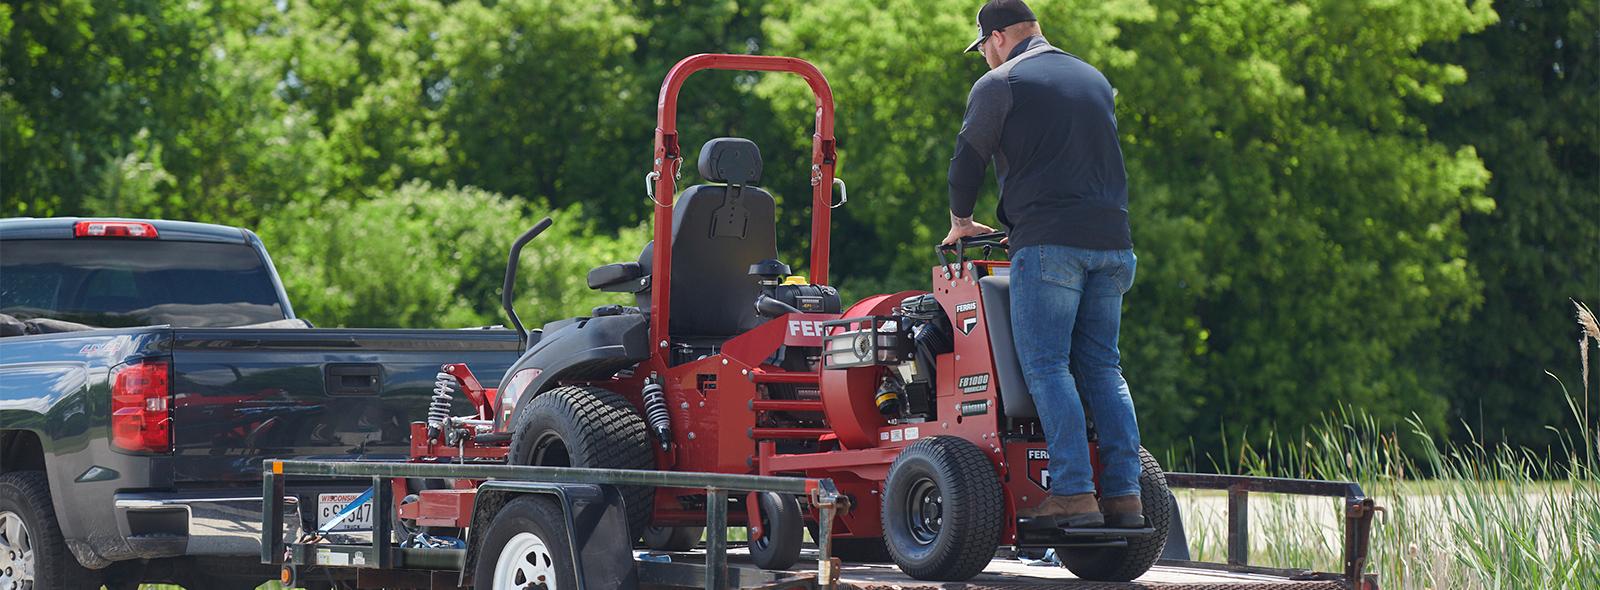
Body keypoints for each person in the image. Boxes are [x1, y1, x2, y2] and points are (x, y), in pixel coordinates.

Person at [942, 0, 1143, 529]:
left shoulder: (1001, 83)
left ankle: (1074, 492)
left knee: (1048, 367)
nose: (983, 57)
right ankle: (1124, 494)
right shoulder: (1094, 78)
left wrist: (962, 220)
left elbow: (967, 159)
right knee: (1103, 368)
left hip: (1049, 246)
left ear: (999, 37)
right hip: (1114, 244)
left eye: (982, 46)